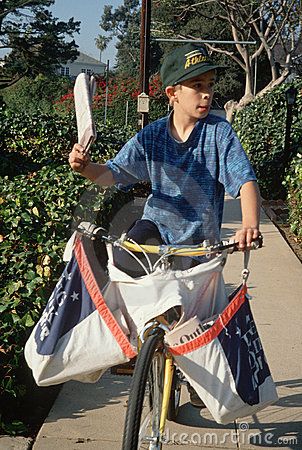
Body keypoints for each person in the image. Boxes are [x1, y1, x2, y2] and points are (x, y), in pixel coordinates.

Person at [69, 43, 261, 406]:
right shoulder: (152, 136)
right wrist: (85, 168)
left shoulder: (219, 135)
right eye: (197, 86)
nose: (206, 93)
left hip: (198, 240)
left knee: (195, 317)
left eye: (209, 84)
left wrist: (249, 224)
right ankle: (133, 341)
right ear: (173, 93)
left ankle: (192, 371)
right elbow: (113, 174)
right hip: (156, 228)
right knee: (124, 257)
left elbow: (245, 180)